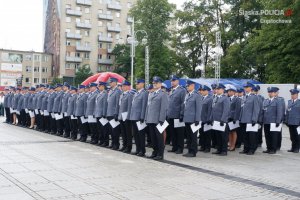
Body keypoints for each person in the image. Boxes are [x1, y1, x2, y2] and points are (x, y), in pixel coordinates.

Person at [145, 76, 168, 160]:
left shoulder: (163, 94)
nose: (154, 84)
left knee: (159, 138)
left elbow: (164, 108)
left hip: (158, 120)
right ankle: (155, 152)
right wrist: (146, 118)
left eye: (156, 83)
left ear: (160, 84)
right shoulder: (151, 94)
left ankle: (160, 154)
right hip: (150, 119)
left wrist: (161, 119)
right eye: (153, 83)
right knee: (153, 137)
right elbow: (148, 107)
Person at [167, 75, 186, 154]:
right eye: (171, 81)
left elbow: (183, 103)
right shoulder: (171, 90)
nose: (172, 82)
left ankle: (180, 148)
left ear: (178, 81)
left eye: (174, 80)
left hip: (178, 115)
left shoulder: (182, 90)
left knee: (179, 133)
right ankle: (174, 147)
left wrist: (181, 114)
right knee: (173, 133)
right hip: (171, 115)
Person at [239, 82, 260, 155]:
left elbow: (256, 109)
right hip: (244, 119)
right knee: (245, 135)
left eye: (247, 87)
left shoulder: (254, 97)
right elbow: (242, 108)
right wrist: (240, 118)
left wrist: (254, 119)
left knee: (251, 136)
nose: (245, 88)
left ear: (251, 88)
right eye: (245, 87)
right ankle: (246, 148)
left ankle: (252, 149)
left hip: (250, 120)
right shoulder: (244, 97)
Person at [182, 80, 201, 157]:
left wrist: (197, 119)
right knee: (189, 136)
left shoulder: (197, 95)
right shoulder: (187, 95)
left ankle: (193, 151)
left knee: (193, 136)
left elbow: (199, 108)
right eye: (186, 86)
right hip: (187, 119)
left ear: (192, 86)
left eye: (188, 86)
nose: (187, 87)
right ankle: (189, 150)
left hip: (193, 119)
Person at [129, 79, 148, 157]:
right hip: (134, 117)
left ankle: (142, 150)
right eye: (136, 84)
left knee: (141, 135)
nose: (136, 85)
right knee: (135, 135)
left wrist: (142, 116)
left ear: (142, 84)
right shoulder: (136, 93)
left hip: (139, 117)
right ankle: (137, 149)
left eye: (138, 83)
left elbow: (144, 106)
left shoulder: (144, 93)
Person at [262, 87, 283, 154]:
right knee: (267, 135)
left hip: (274, 122)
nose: (270, 93)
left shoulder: (278, 101)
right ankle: (269, 148)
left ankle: (273, 149)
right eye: (269, 92)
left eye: (271, 92)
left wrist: (278, 121)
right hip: (266, 121)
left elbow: (279, 112)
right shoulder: (266, 100)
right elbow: (263, 111)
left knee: (274, 136)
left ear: (274, 93)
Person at [212, 83, 230, 156]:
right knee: (218, 136)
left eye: (218, 89)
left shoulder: (225, 98)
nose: (217, 90)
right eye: (216, 89)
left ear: (222, 90)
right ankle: (219, 149)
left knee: (223, 137)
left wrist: (223, 119)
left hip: (222, 120)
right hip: (216, 120)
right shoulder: (216, 98)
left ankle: (224, 150)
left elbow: (226, 110)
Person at [106, 78, 122, 150]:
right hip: (109, 113)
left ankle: (116, 144)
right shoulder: (110, 91)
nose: (110, 83)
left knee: (115, 131)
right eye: (109, 82)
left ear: (115, 82)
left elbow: (117, 103)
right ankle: (113, 143)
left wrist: (116, 113)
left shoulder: (118, 91)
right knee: (111, 130)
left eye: (111, 82)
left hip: (114, 114)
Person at [118, 80, 133, 153]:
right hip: (121, 116)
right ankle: (124, 145)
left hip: (126, 116)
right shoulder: (122, 94)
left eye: (124, 86)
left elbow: (130, 106)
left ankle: (128, 147)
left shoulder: (129, 95)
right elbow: (120, 106)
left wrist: (128, 116)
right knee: (123, 132)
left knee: (128, 133)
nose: (123, 87)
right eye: (122, 86)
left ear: (128, 86)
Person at [199, 85, 213, 153]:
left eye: (203, 90)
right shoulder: (201, 98)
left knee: (207, 134)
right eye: (201, 90)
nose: (202, 91)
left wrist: (209, 119)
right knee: (202, 134)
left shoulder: (210, 99)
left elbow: (210, 110)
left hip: (206, 119)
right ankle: (202, 146)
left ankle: (207, 147)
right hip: (201, 119)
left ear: (207, 91)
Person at [285, 89, 300, 153]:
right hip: (290, 122)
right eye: (291, 94)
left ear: (297, 95)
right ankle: (293, 147)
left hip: (297, 122)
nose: (292, 95)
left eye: (293, 94)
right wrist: (286, 120)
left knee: (297, 136)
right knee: (292, 136)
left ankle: (297, 148)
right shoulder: (289, 102)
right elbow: (287, 112)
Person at [94, 82, 108, 146]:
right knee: (99, 129)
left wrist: (104, 113)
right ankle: (101, 140)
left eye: (99, 86)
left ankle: (105, 141)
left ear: (103, 86)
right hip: (98, 113)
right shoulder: (99, 94)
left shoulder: (105, 94)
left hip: (102, 114)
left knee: (104, 129)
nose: (98, 87)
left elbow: (105, 104)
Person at [227, 85, 239, 151]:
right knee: (229, 132)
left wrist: (235, 118)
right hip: (228, 117)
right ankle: (230, 144)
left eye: (230, 91)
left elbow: (237, 110)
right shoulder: (228, 99)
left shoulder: (237, 99)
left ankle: (233, 145)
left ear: (234, 92)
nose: (229, 92)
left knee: (233, 132)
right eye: (228, 91)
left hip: (233, 118)